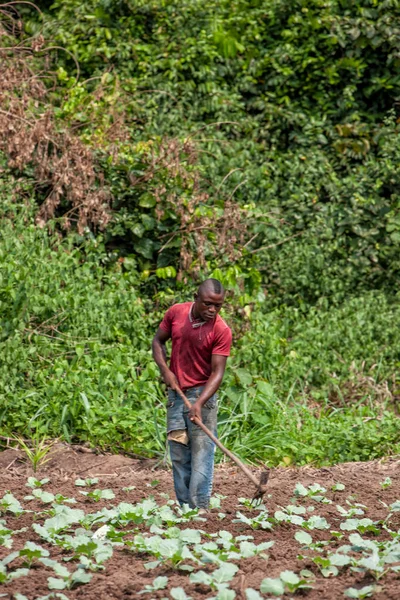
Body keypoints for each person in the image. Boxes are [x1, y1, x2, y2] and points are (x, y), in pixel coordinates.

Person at [152, 278, 232, 509]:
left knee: (202, 452)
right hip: (176, 395)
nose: (212, 310)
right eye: (208, 304)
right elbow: (158, 341)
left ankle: (200, 510)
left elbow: (217, 373)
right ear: (196, 298)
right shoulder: (176, 313)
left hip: (202, 396)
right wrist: (165, 370)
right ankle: (185, 508)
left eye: (218, 306)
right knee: (178, 453)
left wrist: (200, 402)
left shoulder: (221, 330)